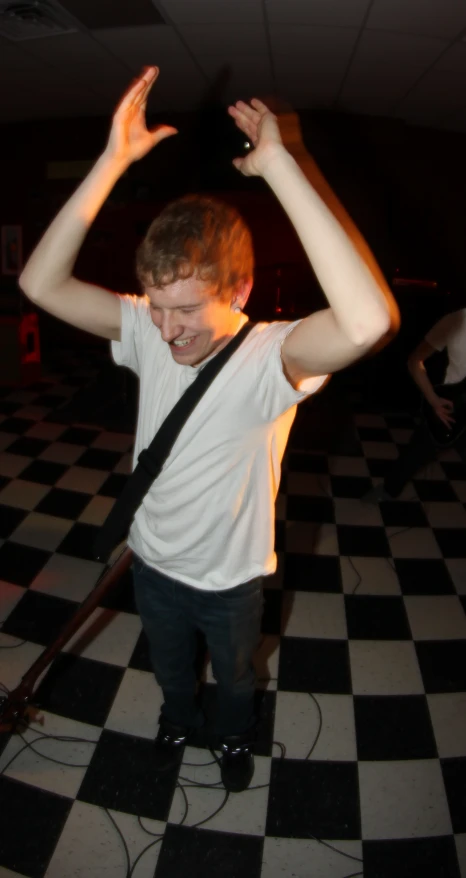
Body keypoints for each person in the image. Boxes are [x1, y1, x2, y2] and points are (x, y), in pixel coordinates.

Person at [19, 66, 399, 792]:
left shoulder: (269, 357)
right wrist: (111, 162)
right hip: (152, 560)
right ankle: (175, 719)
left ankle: (232, 734)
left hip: (230, 579)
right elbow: (39, 285)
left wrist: (281, 167)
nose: (166, 330)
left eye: (187, 309)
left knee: (234, 674)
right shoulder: (146, 325)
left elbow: (368, 321)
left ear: (241, 291)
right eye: (157, 306)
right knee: (168, 669)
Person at [367, 307, 466, 501]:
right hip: (450, 408)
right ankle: (388, 489)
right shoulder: (454, 321)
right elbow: (415, 361)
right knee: (416, 453)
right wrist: (433, 400)